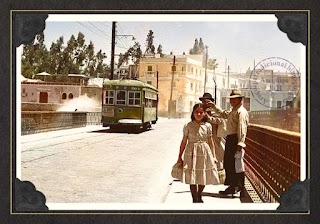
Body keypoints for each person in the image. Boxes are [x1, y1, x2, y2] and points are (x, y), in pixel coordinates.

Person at [205, 89, 249, 197]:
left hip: (235, 139)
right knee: (229, 163)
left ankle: (238, 186)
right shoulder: (233, 110)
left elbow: (242, 128)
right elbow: (224, 114)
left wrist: (240, 143)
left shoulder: (241, 112)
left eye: (234, 99)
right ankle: (233, 185)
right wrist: (214, 107)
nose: (231, 101)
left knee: (236, 164)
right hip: (231, 138)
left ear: (240, 100)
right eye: (231, 99)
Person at [177, 103, 220, 203]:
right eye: (197, 112)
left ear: (205, 113)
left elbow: (210, 141)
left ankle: (199, 193)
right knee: (191, 175)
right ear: (193, 113)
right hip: (191, 152)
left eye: (201, 112)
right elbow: (184, 141)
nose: (199, 114)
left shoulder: (208, 126)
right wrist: (179, 156)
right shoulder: (188, 126)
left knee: (203, 174)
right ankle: (194, 198)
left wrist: (213, 156)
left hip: (204, 152)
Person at [199, 93, 227, 171]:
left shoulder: (216, 110)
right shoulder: (200, 110)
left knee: (217, 151)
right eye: (203, 101)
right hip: (203, 134)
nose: (205, 103)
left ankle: (218, 169)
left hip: (215, 134)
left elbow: (221, 121)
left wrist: (210, 118)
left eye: (207, 101)